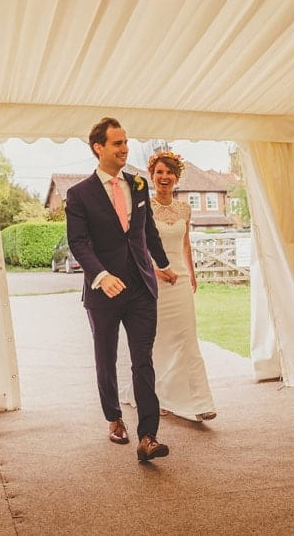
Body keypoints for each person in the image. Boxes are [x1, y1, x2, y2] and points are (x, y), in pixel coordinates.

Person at [65, 117, 178, 462]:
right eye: (117, 143)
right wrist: (100, 275)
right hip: (104, 293)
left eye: (126, 142)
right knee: (107, 357)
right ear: (98, 148)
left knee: (143, 360)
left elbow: (147, 233)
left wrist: (162, 264)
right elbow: (79, 243)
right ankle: (114, 418)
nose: (124, 148)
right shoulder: (78, 194)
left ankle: (148, 436)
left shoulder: (140, 185)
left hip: (141, 288)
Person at [120, 152, 217, 422]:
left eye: (169, 173)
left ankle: (200, 401)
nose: (165, 177)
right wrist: (155, 271)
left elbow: (185, 244)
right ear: (152, 176)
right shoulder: (143, 207)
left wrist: (192, 274)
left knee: (187, 340)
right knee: (158, 340)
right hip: (154, 281)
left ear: (177, 177)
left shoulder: (185, 208)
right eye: (160, 172)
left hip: (182, 281)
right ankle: (157, 394)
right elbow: (136, 246)